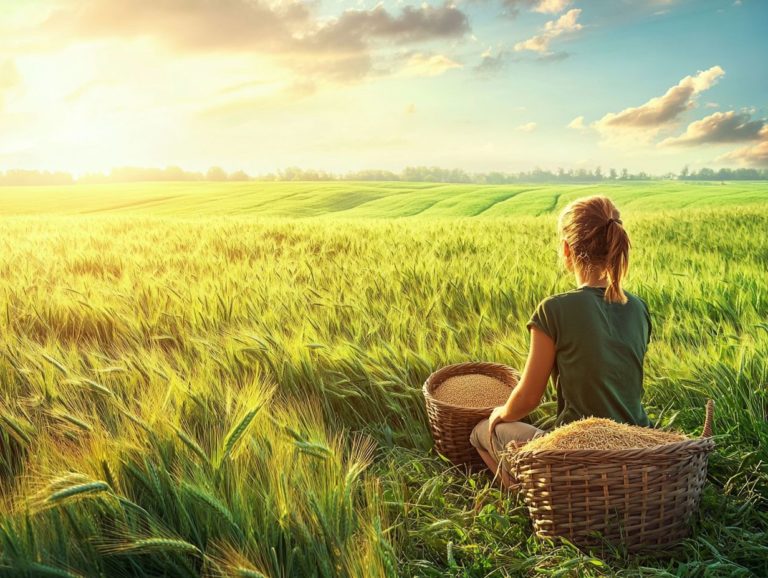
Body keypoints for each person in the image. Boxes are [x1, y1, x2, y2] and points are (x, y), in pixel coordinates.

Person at [469, 195, 653, 487]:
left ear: (567, 250)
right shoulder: (638, 307)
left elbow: (528, 399)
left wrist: (499, 414)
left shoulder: (553, 309)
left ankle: (530, 502)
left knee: (480, 432)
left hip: (577, 451)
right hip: (638, 442)